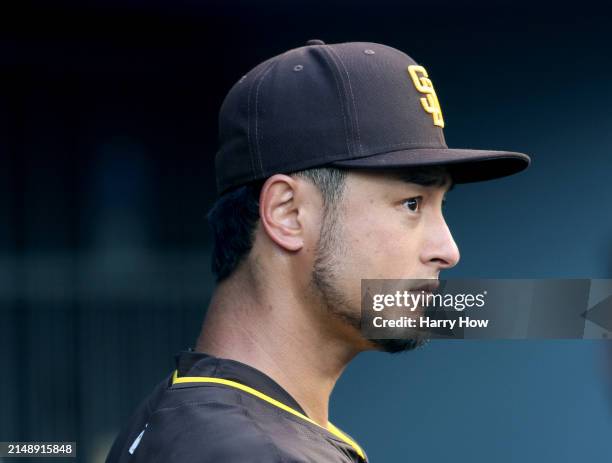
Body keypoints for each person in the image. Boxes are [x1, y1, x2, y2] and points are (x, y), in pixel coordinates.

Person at [106, 39, 530, 462]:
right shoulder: (250, 450)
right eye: (412, 203)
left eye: (442, 204)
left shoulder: (206, 417)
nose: (448, 250)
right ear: (288, 213)